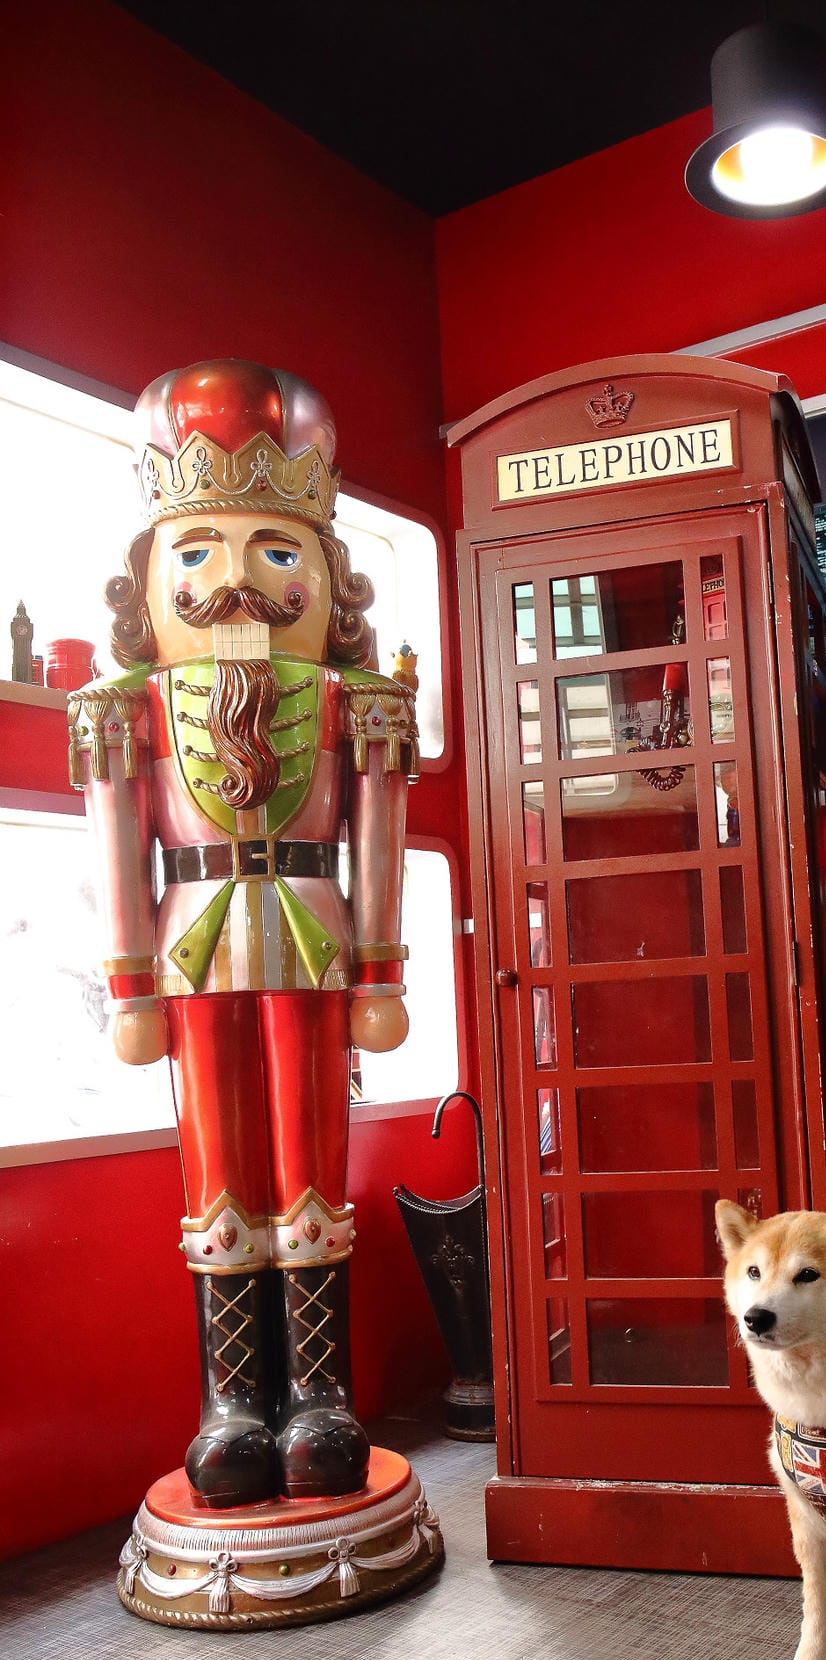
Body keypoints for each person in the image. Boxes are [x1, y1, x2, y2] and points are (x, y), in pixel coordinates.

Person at [69, 359, 418, 1507]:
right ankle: (235, 1399)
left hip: (312, 936)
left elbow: (378, 837)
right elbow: (117, 848)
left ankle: (319, 1394)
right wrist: (128, 987)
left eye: (274, 552)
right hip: (190, 946)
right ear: (148, 574)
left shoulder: (357, 701)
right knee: (216, 1164)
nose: (234, 582)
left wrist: (382, 971)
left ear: (324, 573)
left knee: (313, 1161)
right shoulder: (126, 709)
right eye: (196, 554)